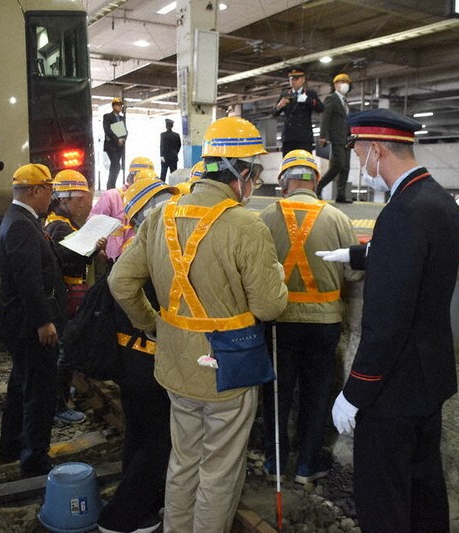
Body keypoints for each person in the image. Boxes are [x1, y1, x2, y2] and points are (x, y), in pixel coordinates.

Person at [108, 116, 288, 532]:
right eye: (255, 173)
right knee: (219, 470)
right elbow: (269, 308)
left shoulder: (161, 215)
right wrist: (276, 279)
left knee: (184, 459)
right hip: (228, 370)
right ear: (241, 173)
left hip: (175, 365)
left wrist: (151, 323)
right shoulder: (247, 225)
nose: (255, 182)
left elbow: (120, 282)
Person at [321, 108, 459, 532]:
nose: (361, 166)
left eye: (359, 154)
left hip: (392, 389)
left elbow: (387, 320)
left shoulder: (401, 211)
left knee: (384, 500)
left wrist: (355, 392)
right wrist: (355, 254)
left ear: (376, 150)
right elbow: (415, 260)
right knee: (424, 492)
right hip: (429, 379)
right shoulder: (438, 200)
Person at [258, 150, 362, 485]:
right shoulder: (337, 219)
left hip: (279, 323)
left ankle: (275, 463)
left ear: (283, 182)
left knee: (277, 395)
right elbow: (354, 272)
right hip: (323, 325)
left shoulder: (265, 217)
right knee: (317, 395)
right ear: (316, 181)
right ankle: (307, 466)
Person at [97, 177, 179, 533]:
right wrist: (153, 325)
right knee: (159, 441)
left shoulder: (135, 247)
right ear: (152, 211)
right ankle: (121, 518)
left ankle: (147, 506)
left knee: (139, 435)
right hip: (148, 363)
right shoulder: (152, 251)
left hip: (132, 362)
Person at [0, 163, 67, 478]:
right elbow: (27, 279)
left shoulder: (19, 219)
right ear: (36, 190)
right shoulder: (22, 225)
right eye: (49, 190)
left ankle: (12, 447)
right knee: (40, 393)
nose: (51, 197)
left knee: (21, 386)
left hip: (20, 324)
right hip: (29, 327)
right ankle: (35, 460)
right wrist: (43, 321)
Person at [45, 169, 104, 425]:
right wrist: (92, 248)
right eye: (79, 200)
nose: (83, 205)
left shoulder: (59, 222)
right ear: (64, 198)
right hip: (67, 295)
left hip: (66, 295)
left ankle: (60, 393)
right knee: (65, 351)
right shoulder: (59, 226)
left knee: (65, 349)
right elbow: (66, 258)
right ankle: (58, 404)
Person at [89, 156, 156, 261]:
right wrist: (98, 249)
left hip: (137, 257)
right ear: (130, 178)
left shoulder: (150, 200)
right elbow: (93, 223)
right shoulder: (112, 196)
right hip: (111, 257)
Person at [317, 73, 353, 203]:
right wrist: (323, 135)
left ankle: (341, 195)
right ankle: (319, 186)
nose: (345, 85)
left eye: (347, 83)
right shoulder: (331, 98)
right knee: (338, 164)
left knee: (346, 167)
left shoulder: (345, 102)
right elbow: (325, 117)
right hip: (336, 137)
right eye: (342, 82)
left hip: (347, 138)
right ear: (335, 85)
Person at [272, 67, 324, 155]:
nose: (293, 81)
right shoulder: (285, 94)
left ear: (303, 79)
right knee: (288, 161)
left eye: (296, 79)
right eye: (291, 79)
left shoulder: (310, 94)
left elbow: (321, 108)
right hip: (288, 137)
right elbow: (274, 113)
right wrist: (279, 105)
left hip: (304, 137)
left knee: (305, 161)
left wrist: (308, 100)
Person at [103, 97, 127, 189]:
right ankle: (111, 186)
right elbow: (107, 130)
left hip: (120, 146)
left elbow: (125, 130)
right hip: (111, 145)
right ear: (113, 106)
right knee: (116, 165)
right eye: (118, 105)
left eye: (121, 105)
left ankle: (110, 186)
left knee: (114, 166)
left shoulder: (122, 118)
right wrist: (117, 140)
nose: (120, 107)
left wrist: (123, 139)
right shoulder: (107, 116)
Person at [159, 118, 181, 183]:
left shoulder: (163, 135)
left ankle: (162, 186)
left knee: (163, 174)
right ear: (172, 126)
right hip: (174, 157)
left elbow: (162, 146)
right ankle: (174, 185)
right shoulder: (176, 135)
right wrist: (176, 153)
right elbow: (179, 145)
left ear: (166, 126)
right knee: (174, 174)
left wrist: (161, 155)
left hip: (165, 158)